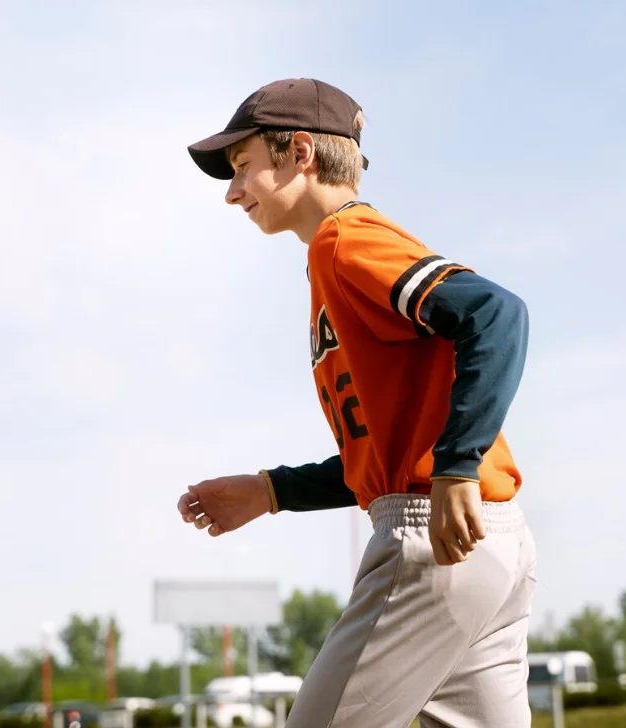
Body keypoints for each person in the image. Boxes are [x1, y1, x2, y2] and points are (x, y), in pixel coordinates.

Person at [177, 78, 538, 728]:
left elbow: (495, 312)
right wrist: (272, 490)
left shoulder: (343, 240)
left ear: (300, 152)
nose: (232, 191)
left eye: (242, 165)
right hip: (490, 543)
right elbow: (390, 449)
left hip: (432, 535)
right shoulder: (336, 256)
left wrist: (457, 465)